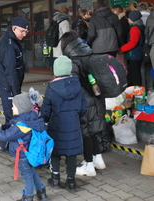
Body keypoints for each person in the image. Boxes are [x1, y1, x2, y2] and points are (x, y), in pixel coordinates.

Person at [0, 88, 48, 201]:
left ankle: (28, 197)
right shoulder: (30, 119)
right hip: (29, 152)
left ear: (21, 108)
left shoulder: (22, 125)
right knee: (32, 172)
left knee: (27, 175)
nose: (11, 108)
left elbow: (6, 136)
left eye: (13, 106)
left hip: (23, 155)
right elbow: (11, 130)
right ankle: (41, 192)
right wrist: (2, 127)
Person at [61, 31, 107, 177]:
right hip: (97, 96)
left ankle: (88, 165)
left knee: (85, 132)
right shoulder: (89, 52)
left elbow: (72, 85)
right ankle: (98, 159)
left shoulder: (73, 59)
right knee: (93, 129)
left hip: (84, 100)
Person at [41, 56, 87, 192]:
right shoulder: (78, 86)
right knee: (71, 153)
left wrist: (44, 119)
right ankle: (71, 181)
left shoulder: (51, 87)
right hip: (73, 125)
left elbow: (46, 109)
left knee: (55, 151)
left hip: (56, 125)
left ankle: (55, 179)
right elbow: (83, 108)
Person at [0, 17, 29, 152]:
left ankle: (4, 144)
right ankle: (5, 144)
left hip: (8, 85)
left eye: (26, 31)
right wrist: (16, 95)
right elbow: (10, 71)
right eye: (23, 31)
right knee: (11, 116)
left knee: (11, 116)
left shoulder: (13, 40)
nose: (25, 34)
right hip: (7, 86)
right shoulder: (8, 45)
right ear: (14, 28)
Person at [119, 10, 145, 86]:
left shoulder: (134, 29)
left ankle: (137, 91)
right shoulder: (140, 26)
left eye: (129, 18)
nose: (128, 19)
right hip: (138, 54)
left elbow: (132, 43)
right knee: (136, 73)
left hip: (134, 55)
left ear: (133, 19)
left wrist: (121, 49)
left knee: (135, 75)